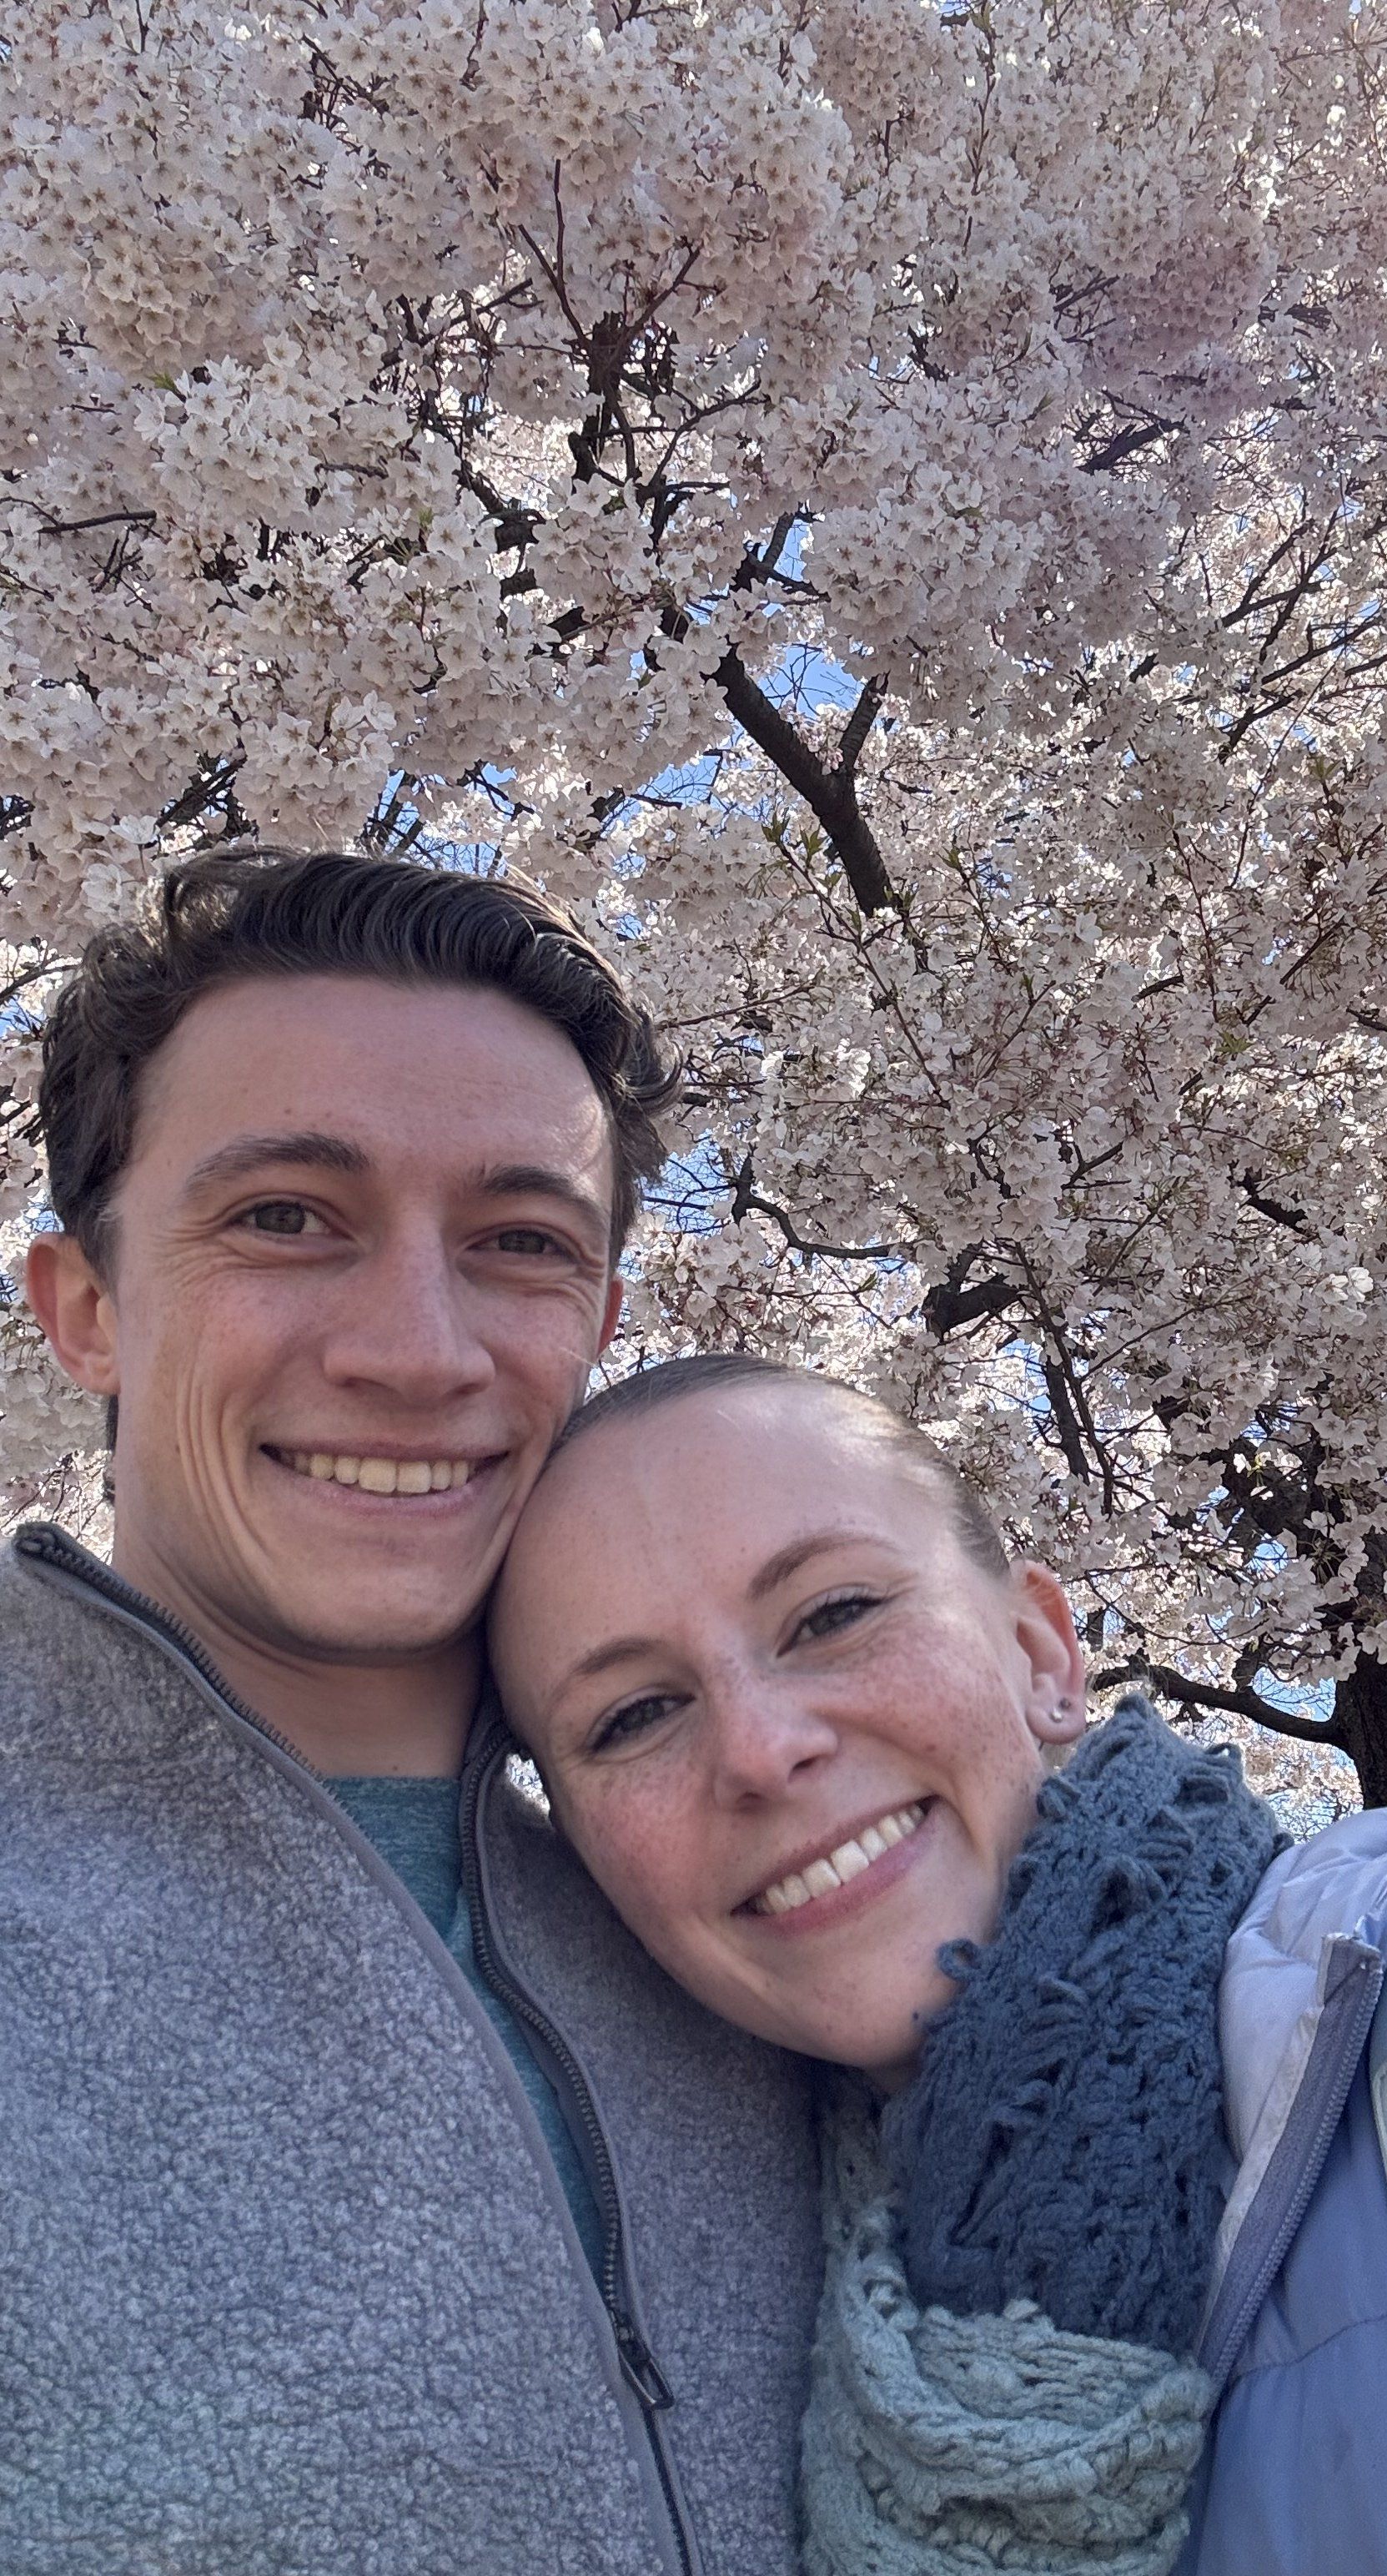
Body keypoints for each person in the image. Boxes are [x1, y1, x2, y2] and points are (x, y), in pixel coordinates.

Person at [489, 1351, 1387, 2575]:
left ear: (1048, 1654)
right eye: (629, 1718)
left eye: (834, 1615)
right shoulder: (720, 2306)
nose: (758, 1746)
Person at [7, 854, 822, 2575]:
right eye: (287, 1214)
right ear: (85, 1303)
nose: (418, 1346)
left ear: (600, 1321)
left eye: (519, 1243)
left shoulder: (774, 1927)